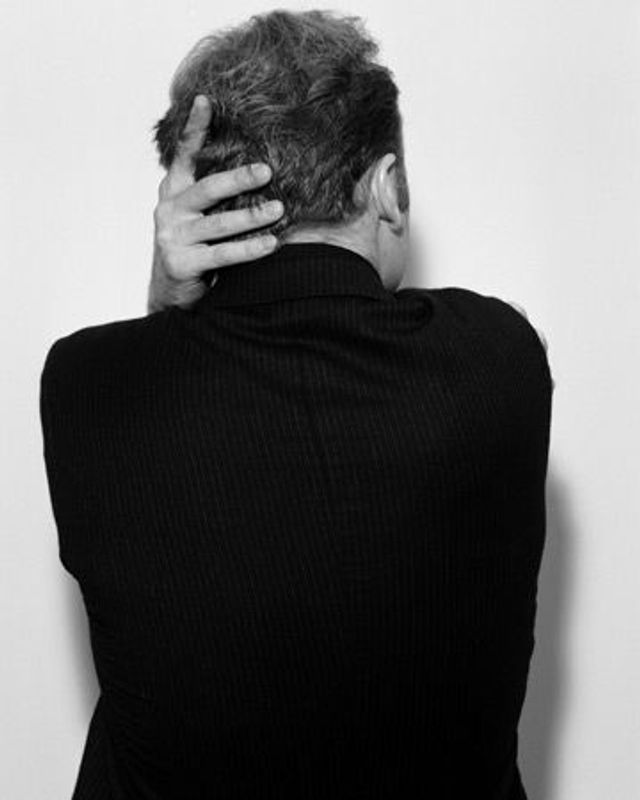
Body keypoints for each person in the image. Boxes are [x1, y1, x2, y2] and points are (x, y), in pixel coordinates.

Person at [40, 10, 553, 799]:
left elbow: (155, 393)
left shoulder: (84, 384)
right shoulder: (500, 361)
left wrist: (167, 291)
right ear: (385, 186)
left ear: (200, 202)